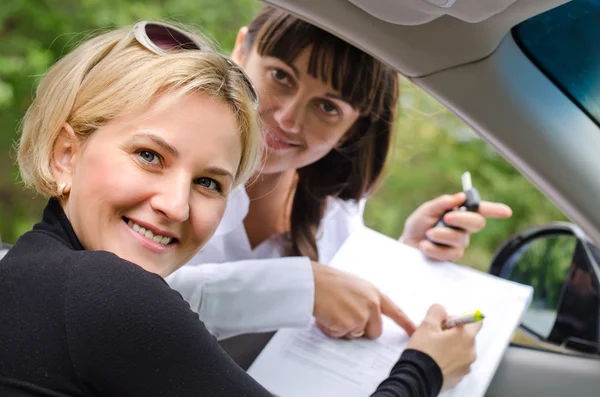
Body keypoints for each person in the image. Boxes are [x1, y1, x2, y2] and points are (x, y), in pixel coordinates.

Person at [0, 20, 479, 397]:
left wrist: (410, 255)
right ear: (66, 155)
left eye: (209, 183)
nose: (175, 205)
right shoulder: (104, 290)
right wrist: (425, 371)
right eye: (149, 156)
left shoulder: (36, 270)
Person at [166, 5, 512, 344]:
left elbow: (343, 295)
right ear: (241, 51)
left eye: (328, 107)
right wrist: (302, 286)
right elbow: (129, 291)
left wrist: (410, 254)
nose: (288, 118)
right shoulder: (164, 165)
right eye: (281, 76)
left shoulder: (337, 212)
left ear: (352, 129)